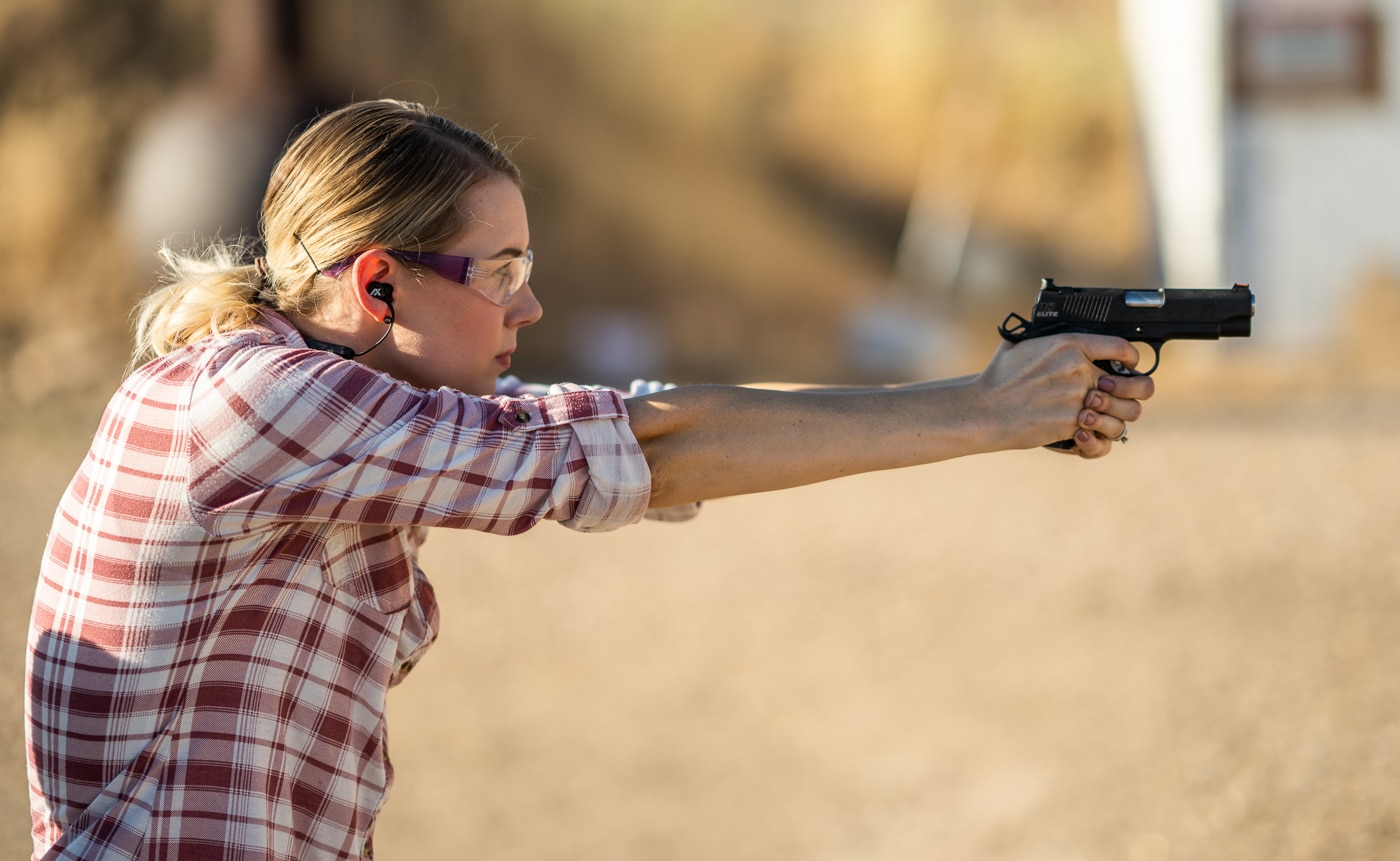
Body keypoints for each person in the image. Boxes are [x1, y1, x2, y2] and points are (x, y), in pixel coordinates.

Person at [25, 99, 1153, 860]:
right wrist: (985, 408)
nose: (530, 307)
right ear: (376, 285)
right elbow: (645, 449)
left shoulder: (315, 409)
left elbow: (645, 448)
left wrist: (991, 410)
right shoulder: (259, 402)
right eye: (500, 271)